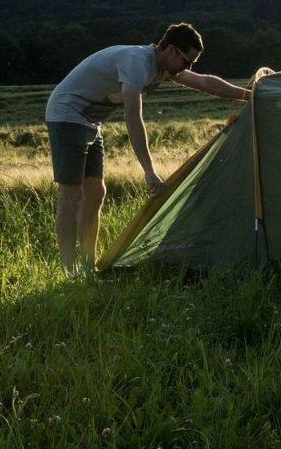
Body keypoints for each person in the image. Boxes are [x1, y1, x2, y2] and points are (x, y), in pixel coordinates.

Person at [45, 22, 250, 278]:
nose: (188, 69)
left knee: (96, 192)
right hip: (67, 114)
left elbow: (205, 83)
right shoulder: (137, 62)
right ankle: (69, 270)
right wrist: (149, 171)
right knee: (72, 193)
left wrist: (248, 95)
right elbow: (133, 116)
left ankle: (88, 265)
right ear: (172, 51)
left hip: (90, 122)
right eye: (187, 62)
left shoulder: (163, 67)